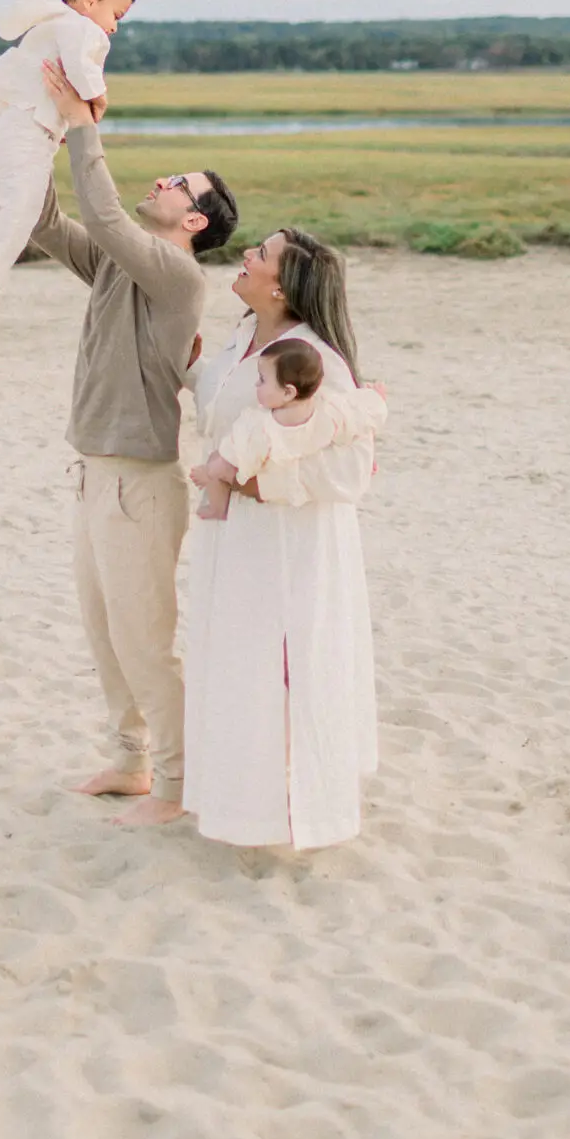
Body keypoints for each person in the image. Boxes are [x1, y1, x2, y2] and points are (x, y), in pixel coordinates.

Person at [31, 57, 238, 827]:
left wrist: (87, 128)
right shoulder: (121, 267)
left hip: (139, 486)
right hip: (91, 474)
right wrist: (36, 133)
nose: (164, 184)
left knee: (146, 644)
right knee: (102, 632)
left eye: (179, 187)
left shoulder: (177, 278)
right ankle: (129, 762)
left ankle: (179, 791)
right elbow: (47, 224)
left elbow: (109, 217)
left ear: (194, 222)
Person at [184, 229, 385, 850]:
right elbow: (222, 403)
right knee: (238, 666)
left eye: (260, 255)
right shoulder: (245, 335)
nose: (246, 256)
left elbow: (353, 470)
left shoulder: (315, 359)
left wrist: (251, 486)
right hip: (235, 537)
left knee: (281, 669)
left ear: (282, 284)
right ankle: (238, 799)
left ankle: (287, 813)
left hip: (288, 536)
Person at [0, 0, 135, 330]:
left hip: (7, 125)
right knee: (21, 208)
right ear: (91, 0)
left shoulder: (52, 24)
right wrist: (98, 98)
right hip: (27, 132)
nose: (115, 28)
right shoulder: (81, 29)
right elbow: (80, 68)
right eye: (116, 16)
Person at [191, 337, 382, 520]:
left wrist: (208, 472)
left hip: (255, 472)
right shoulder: (326, 412)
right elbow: (360, 416)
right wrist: (376, 398)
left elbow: (236, 457)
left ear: (288, 392)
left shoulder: (264, 427)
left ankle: (217, 509)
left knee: (217, 457)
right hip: (282, 468)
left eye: (262, 380)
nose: (257, 384)